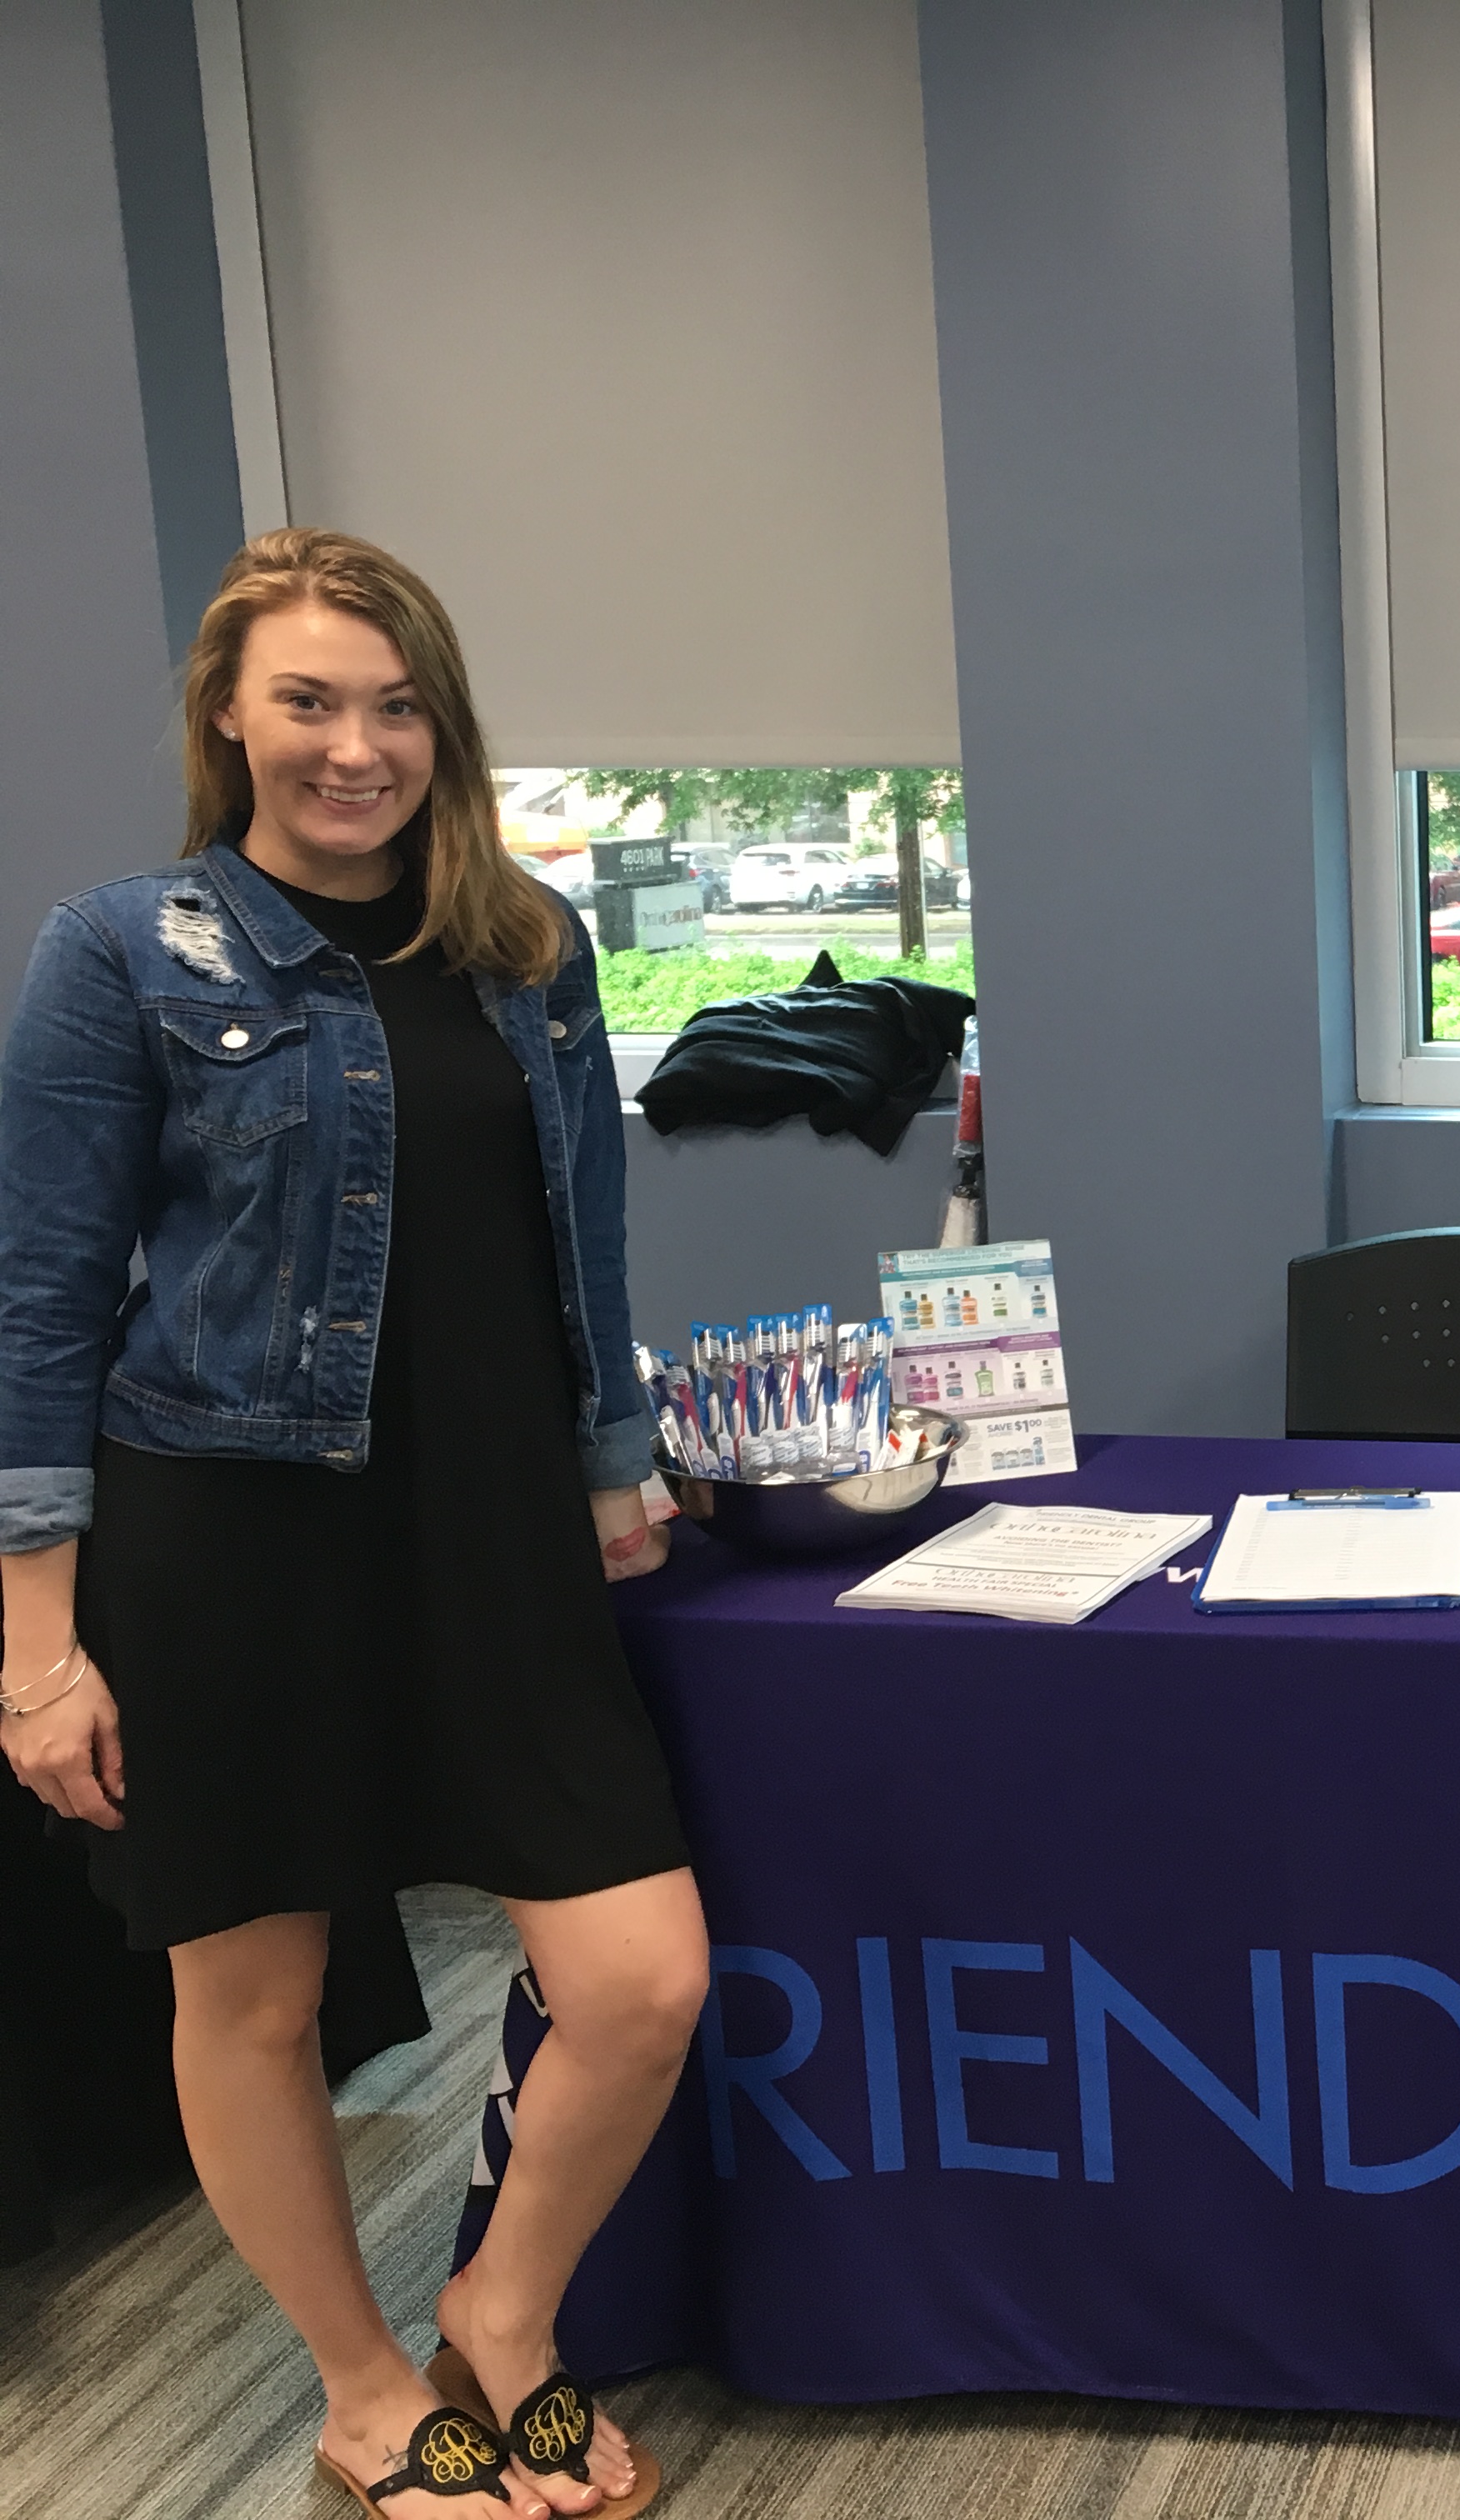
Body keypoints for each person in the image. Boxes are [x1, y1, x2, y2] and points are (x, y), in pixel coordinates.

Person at [0, 529, 706, 2520]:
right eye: (309, 699)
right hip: (224, 1542)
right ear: (230, 713)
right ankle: (362, 2383)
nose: (357, 746)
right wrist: (31, 1649)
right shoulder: (123, 947)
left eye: (397, 706)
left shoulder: (531, 946)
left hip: (490, 1537)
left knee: (643, 1978)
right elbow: (39, 1302)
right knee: (257, 1997)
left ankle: (505, 2314)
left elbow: (586, 1240)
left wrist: (613, 1464)